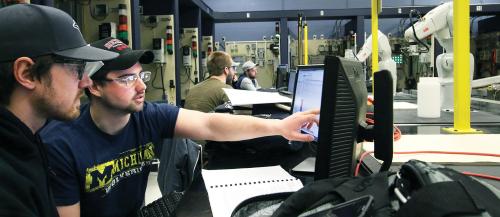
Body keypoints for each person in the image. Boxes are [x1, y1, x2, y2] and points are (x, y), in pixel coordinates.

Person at [40, 37, 319, 217]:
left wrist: (281, 127)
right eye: (126, 79)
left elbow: (210, 124)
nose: (141, 87)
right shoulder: (62, 144)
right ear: (95, 87)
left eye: (141, 76)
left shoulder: (147, 116)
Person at [0, 4, 117, 217]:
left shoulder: (26, 142)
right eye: (77, 68)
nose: (86, 82)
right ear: (27, 74)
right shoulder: (6, 184)